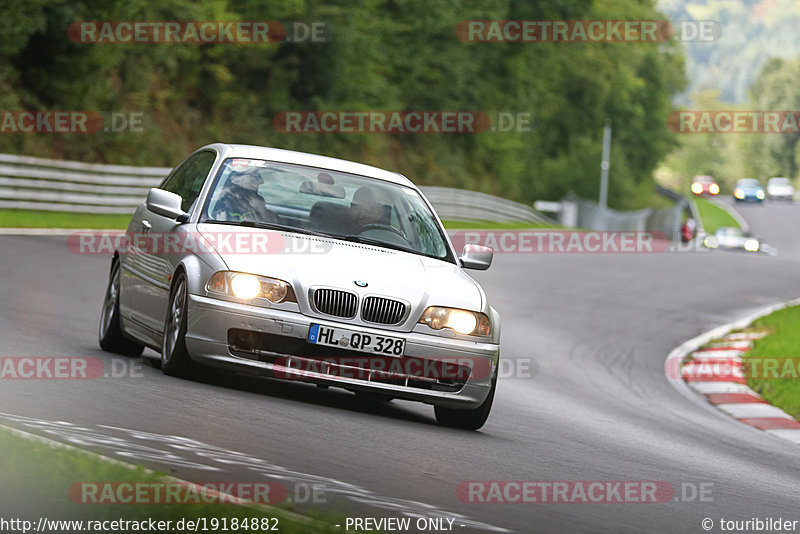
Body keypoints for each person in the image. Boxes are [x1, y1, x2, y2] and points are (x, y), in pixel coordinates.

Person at [212, 168, 277, 223]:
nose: (261, 181)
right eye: (255, 175)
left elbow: (270, 222)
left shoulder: (258, 201)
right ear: (235, 179)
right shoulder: (221, 200)